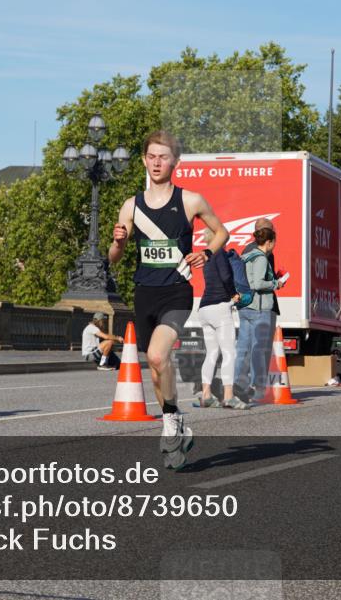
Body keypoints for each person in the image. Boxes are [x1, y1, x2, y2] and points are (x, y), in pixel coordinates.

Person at [109, 130, 228, 470]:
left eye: (163, 157)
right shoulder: (132, 205)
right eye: (152, 157)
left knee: (159, 355)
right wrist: (118, 242)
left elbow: (222, 232)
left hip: (177, 292)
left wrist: (206, 253)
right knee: (156, 370)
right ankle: (173, 419)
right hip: (144, 292)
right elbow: (114, 257)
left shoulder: (190, 200)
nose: (157, 163)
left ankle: (172, 421)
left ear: (175, 161)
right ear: (144, 161)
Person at [234, 217, 281, 400]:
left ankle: (238, 385)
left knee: (243, 349)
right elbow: (258, 283)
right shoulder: (262, 256)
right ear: (268, 238)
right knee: (260, 349)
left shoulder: (246, 252)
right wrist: (276, 283)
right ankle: (258, 388)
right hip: (259, 306)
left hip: (245, 306)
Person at [195, 229, 241, 408]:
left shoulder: (206, 256)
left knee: (212, 353)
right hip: (220, 307)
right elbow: (226, 276)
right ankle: (228, 396)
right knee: (229, 352)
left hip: (204, 308)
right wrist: (233, 294)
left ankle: (206, 394)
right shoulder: (219, 253)